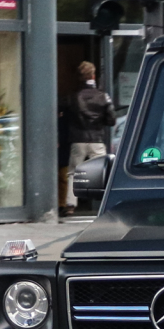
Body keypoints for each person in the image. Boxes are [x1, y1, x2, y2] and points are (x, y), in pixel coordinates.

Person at [63, 61, 114, 215]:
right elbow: (111, 120)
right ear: (93, 75)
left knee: (74, 172)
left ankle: (71, 205)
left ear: (80, 77)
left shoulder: (73, 97)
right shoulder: (103, 96)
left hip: (78, 139)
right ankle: (108, 202)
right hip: (97, 139)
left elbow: (65, 115)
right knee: (104, 172)